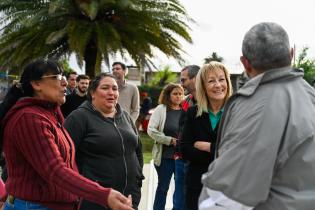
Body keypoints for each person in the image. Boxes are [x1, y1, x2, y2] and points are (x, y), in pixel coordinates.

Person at [199, 22, 315, 210]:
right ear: (291, 55)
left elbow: (225, 196)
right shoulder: (309, 95)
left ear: (245, 62)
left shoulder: (256, 106)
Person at [0, 59, 134, 210]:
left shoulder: (50, 113)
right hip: (35, 206)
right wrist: (104, 194)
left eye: (64, 76)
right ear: (36, 84)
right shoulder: (29, 118)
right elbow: (55, 169)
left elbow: (68, 163)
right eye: (57, 77)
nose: (65, 82)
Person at [64, 73, 143, 210]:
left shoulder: (124, 116)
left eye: (115, 88)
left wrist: (138, 179)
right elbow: (65, 159)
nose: (111, 92)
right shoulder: (79, 118)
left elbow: (137, 149)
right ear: (92, 93)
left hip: (130, 197)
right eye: (105, 88)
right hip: (96, 200)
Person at [181, 62, 232, 210]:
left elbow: (239, 152)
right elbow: (184, 150)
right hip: (196, 185)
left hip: (228, 187)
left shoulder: (237, 114)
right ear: (203, 86)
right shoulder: (192, 113)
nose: (218, 85)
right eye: (211, 81)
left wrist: (208, 146)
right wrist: (219, 152)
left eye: (221, 79)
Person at [147, 84, 184, 210]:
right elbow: (151, 130)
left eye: (180, 93)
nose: (178, 96)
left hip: (182, 157)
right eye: (175, 93)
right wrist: (169, 140)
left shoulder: (186, 110)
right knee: (163, 187)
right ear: (168, 95)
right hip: (165, 156)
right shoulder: (161, 109)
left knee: (181, 188)